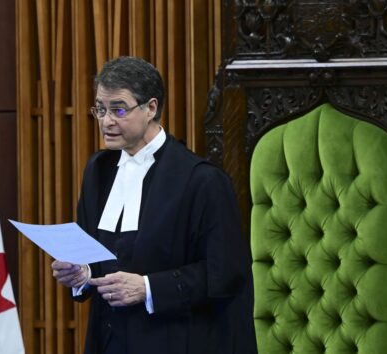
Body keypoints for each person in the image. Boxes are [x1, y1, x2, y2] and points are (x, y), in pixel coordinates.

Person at [51, 56, 257, 354]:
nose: (107, 121)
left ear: (151, 108)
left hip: (176, 340)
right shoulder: (98, 171)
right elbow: (97, 257)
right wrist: (81, 274)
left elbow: (225, 274)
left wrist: (147, 288)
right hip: (107, 341)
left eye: (119, 109)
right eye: (100, 109)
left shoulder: (202, 181)